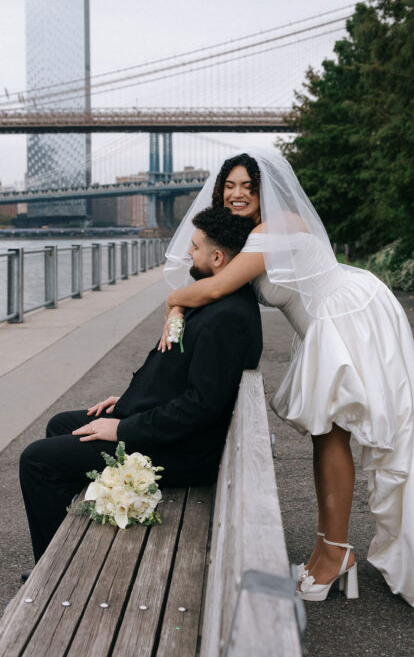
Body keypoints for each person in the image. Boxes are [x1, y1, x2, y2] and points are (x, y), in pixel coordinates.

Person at [161, 148, 414, 635]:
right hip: (334, 321)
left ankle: (333, 557)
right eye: (231, 186)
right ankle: (332, 553)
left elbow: (214, 288)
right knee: (328, 436)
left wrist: (174, 303)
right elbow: (215, 272)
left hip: (347, 317)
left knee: (336, 436)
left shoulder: (273, 228)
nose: (238, 194)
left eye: (249, 186)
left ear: (266, 192)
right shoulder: (250, 236)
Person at [19, 207, 262, 563]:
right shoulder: (217, 300)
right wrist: (131, 400)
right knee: (61, 424)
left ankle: (52, 567)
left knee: (36, 461)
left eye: (194, 248)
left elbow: (200, 406)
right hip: (179, 434)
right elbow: (186, 378)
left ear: (218, 257)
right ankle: (73, 541)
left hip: (185, 452)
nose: (187, 254)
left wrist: (123, 428)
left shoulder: (226, 319)